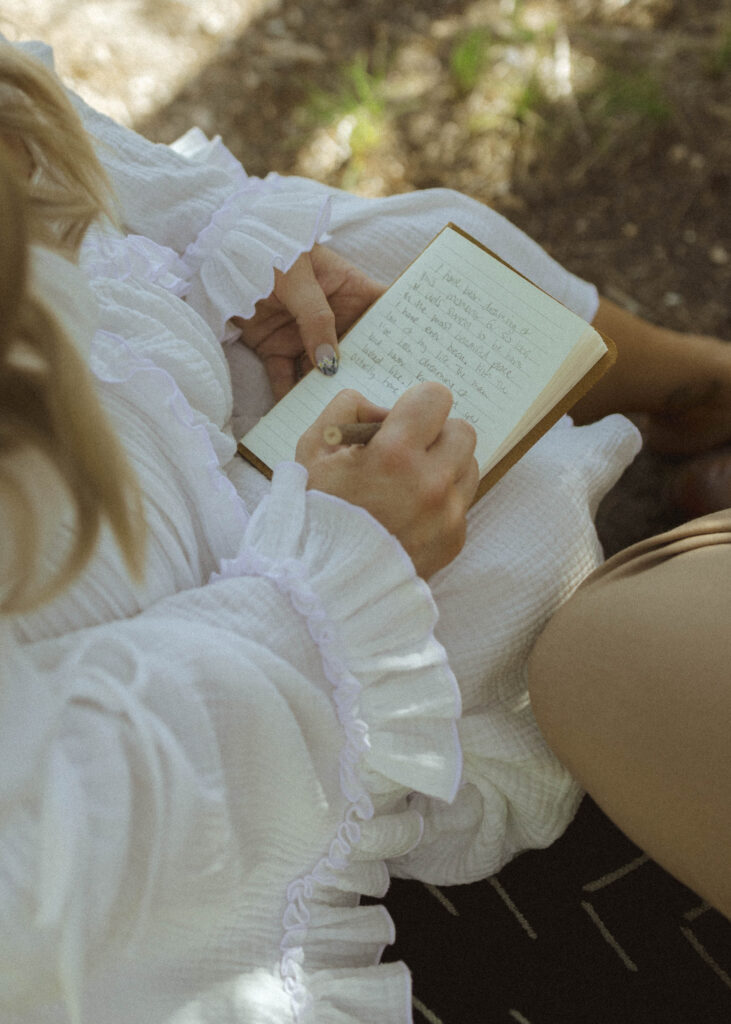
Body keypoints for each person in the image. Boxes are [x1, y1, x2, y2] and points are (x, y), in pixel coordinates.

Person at [0, 35, 728, 1024]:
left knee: (431, 250)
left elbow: (56, 137)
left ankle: (694, 386)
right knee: (523, 557)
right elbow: (47, 838)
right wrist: (335, 577)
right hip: (204, 670)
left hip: (150, 381)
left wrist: (226, 246)